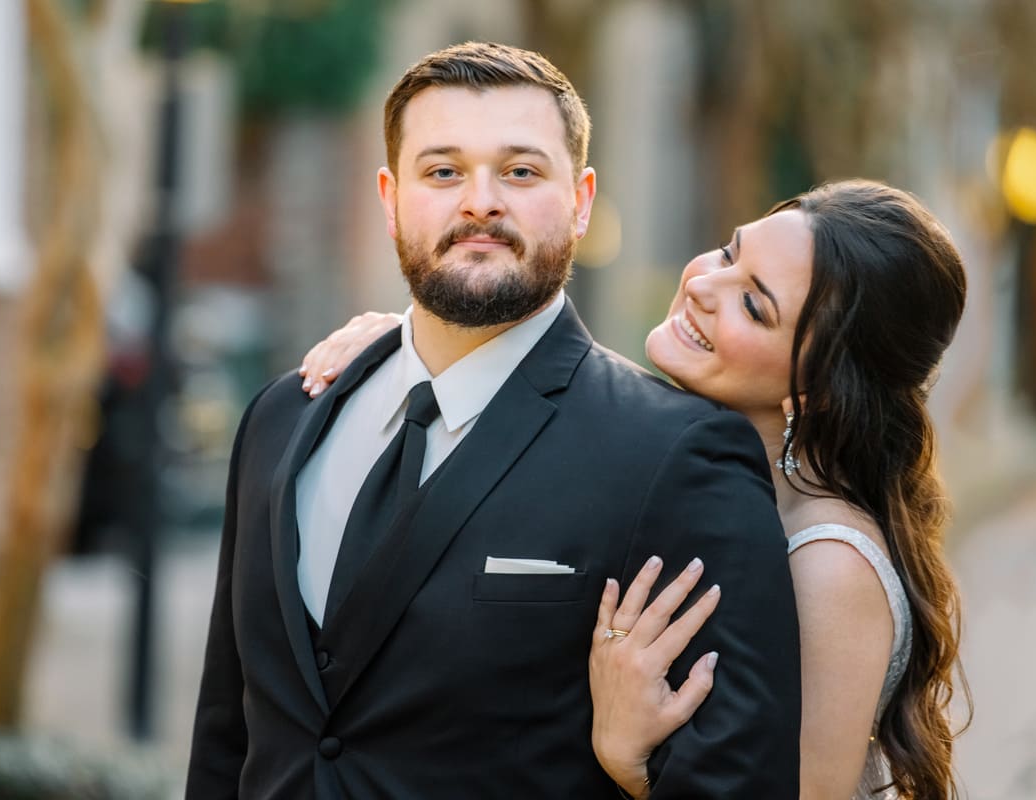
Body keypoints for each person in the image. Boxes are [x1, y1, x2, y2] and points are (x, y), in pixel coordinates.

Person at [187, 41, 801, 799]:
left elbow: (741, 780)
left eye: (520, 171)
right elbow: (227, 734)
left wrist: (633, 767)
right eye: (443, 171)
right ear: (389, 198)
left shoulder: (676, 454)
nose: (480, 201)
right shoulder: (282, 420)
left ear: (580, 201)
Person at [300, 180, 970, 799]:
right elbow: (556, 391)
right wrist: (416, 347)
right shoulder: (670, 463)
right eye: (730, 252)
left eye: (752, 303)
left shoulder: (829, 564)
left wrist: (629, 759)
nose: (707, 283)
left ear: (817, 387)